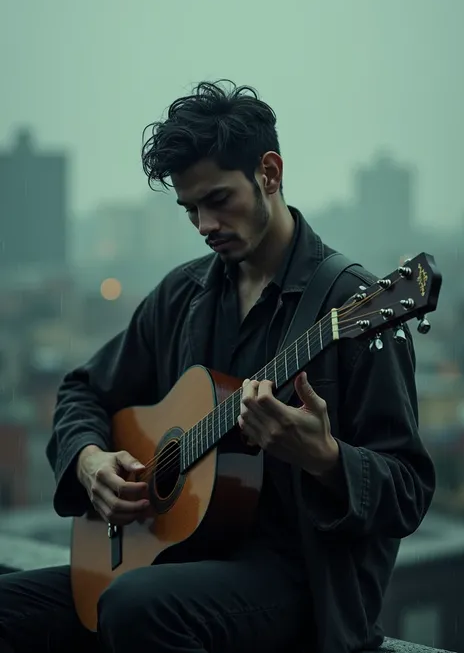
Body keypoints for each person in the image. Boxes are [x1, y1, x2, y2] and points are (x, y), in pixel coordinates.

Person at [0, 80, 436, 653]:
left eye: (218, 200)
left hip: (301, 584)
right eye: (190, 209)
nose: (205, 224)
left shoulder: (352, 307)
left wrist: (327, 459)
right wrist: (89, 463)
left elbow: (408, 490)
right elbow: (83, 390)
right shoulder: (183, 294)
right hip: (169, 554)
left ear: (270, 173)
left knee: (134, 608)